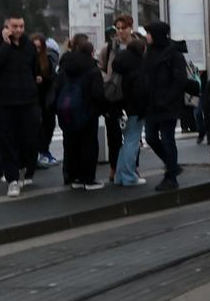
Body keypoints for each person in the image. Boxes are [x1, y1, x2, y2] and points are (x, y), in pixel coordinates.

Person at [0, 16, 42, 197]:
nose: (18, 30)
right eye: (14, 26)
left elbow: (35, 69)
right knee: (6, 142)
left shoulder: (29, 46)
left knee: (30, 139)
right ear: (6, 28)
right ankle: (12, 180)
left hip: (27, 101)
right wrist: (6, 45)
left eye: (22, 26)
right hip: (2, 103)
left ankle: (25, 167)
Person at [139, 21, 198, 191]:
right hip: (152, 104)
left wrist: (167, 99)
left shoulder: (174, 54)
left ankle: (171, 177)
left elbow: (179, 80)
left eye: (149, 33)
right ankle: (172, 165)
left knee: (167, 139)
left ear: (156, 34)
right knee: (150, 137)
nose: (147, 36)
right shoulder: (149, 52)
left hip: (168, 106)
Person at [52, 35, 106, 190]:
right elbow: (97, 94)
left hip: (67, 112)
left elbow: (57, 88)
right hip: (88, 112)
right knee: (89, 145)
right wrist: (102, 109)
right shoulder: (92, 69)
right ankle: (88, 179)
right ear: (91, 52)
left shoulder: (65, 67)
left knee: (71, 144)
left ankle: (73, 176)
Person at [98, 14, 134, 180]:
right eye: (118, 28)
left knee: (132, 135)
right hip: (113, 94)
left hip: (132, 93)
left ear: (130, 28)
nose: (120, 32)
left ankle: (132, 167)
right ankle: (114, 167)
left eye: (123, 28)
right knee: (113, 133)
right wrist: (107, 79)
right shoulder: (110, 48)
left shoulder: (138, 46)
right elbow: (101, 67)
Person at [111, 30, 148, 188]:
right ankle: (128, 176)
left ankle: (120, 175)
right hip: (135, 109)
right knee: (132, 142)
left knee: (126, 142)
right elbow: (141, 91)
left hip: (121, 106)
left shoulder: (120, 62)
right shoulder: (137, 65)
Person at [31, 33, 60, 168]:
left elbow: (51, 77)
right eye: (34, 47)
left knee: (48, 125)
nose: (36, 50)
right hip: (32, 99)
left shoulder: (46, 60)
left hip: (45, 99)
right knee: (35, 128)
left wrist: (44, 79)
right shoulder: (27, 60)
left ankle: (43, 151)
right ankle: (36, 153)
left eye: (39, 47)